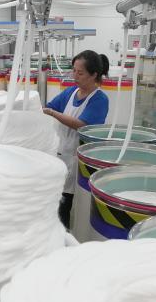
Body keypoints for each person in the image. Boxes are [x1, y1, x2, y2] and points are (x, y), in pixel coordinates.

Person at [44, 50, 110, 228]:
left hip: (78, 162)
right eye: (73, 70)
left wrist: (52, 113)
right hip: (60, 156)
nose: (75, 76)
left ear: (93, 75)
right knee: (54, 204)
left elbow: (81, 125)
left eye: (80, 73)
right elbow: (49, 107)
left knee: (67, 207)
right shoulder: (71, 92)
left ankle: (66, 235)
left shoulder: (99, 99)